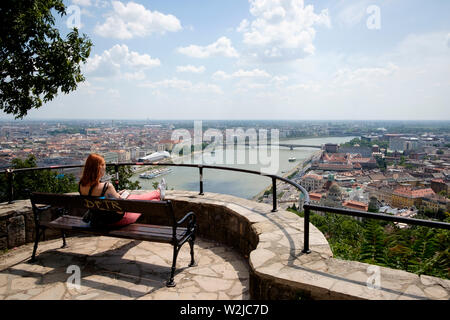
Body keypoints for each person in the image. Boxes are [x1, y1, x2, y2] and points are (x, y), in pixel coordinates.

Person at [78, 153, 162, 228]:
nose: (105, 167)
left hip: (97, 221)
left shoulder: (81, 185)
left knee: (131, 197)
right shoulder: (106, 186)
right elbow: (120, 209)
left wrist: (117, 195)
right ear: (99, 167)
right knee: (139, 202)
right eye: (104, 165)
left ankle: (157, 194)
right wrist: (121, 198)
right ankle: (157, 195)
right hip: (114, 221)